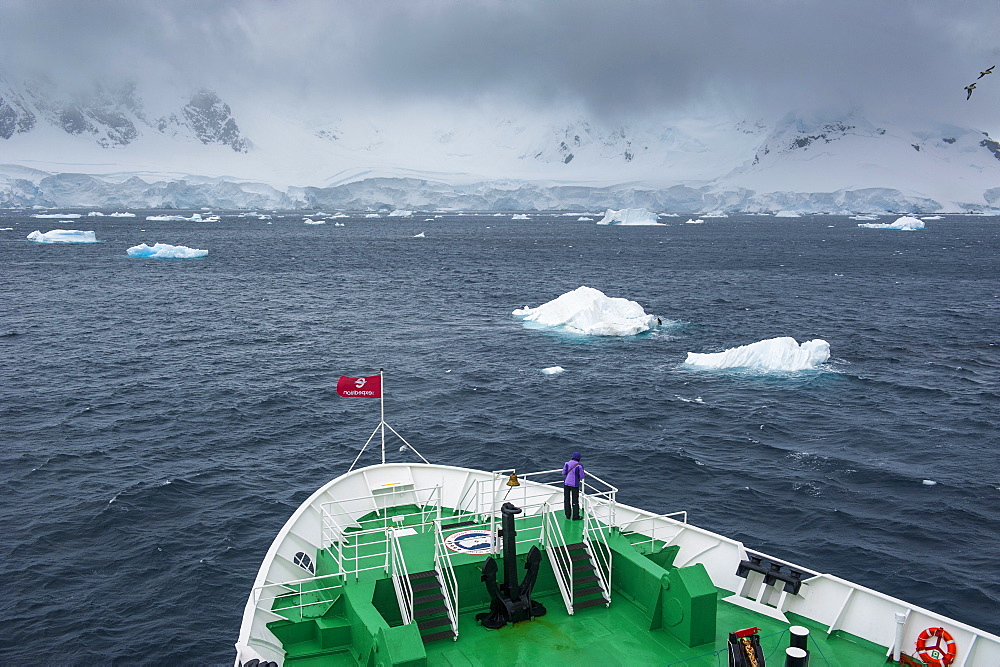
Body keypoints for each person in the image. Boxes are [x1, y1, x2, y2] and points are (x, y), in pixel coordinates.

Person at [562, 452, 585, 520]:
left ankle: (567, 515)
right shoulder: (579, 466)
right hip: (574, 484)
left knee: (566, 499)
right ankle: (575, 516)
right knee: (575, 501)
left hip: (566, 483)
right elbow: (582, 476)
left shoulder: (567, 463)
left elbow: (563, 472)